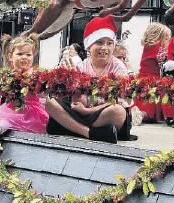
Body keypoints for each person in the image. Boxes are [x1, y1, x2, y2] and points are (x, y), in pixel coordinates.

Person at [46, 16, 132, 144]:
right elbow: (76, 103)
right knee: (49, 103)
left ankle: (70, 127)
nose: (105, 48)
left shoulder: (118, 67)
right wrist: (70, 78)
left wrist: (86, 111)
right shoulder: (81, 66)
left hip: (103, 115)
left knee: (118, 111)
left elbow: (118, 102)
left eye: (109, 43)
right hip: (82, 114)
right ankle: (89, 133)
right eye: (100, 42)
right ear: (88, 47)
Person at [135, 22, 171, 123]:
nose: (168, 41)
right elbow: (165, 64)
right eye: (167, 38)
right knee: (151, 105)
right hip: (153, 80)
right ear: (160, 37)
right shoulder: (159, 49)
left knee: (143, 103)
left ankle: (138, 113)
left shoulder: (147, 47)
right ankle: (142, 115)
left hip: (142, 78)